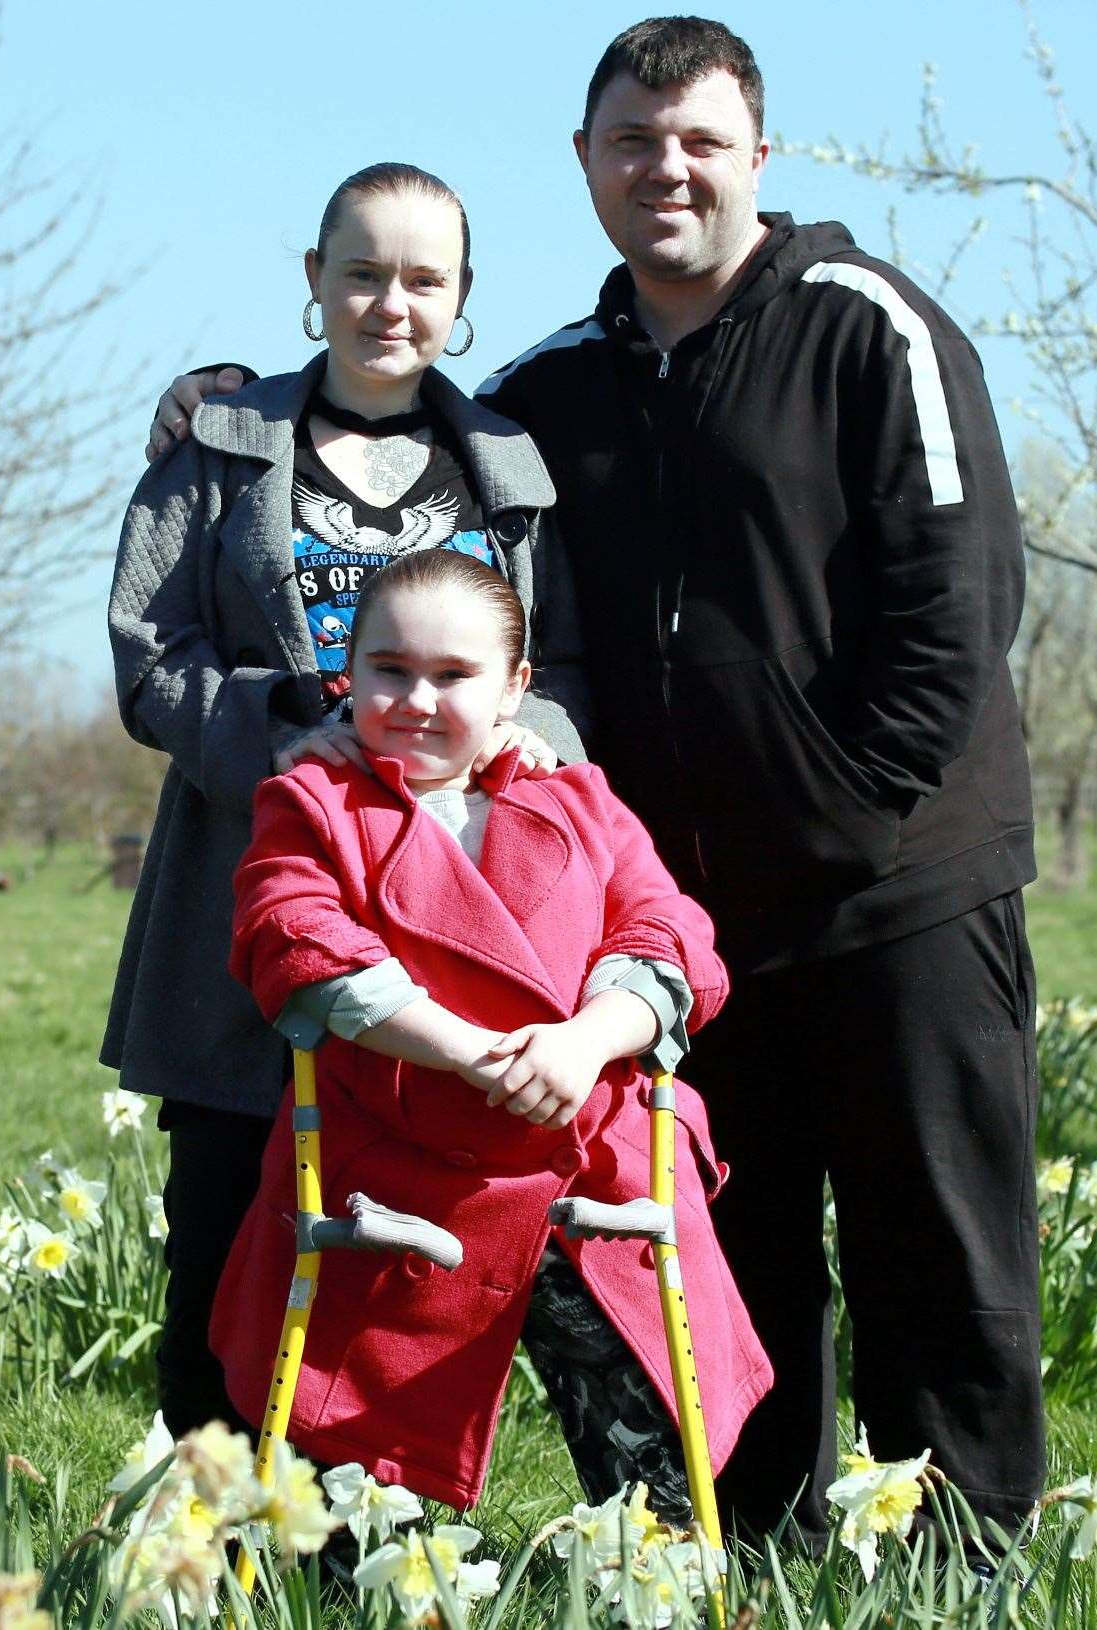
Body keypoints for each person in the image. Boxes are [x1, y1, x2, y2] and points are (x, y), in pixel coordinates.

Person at [144, 17, 1045, 1548]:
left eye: (696, 138)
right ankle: (736, 1549)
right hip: (678, 922)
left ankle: (964, 1558)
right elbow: (408, 460)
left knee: (932, 1243)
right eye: (631, 142)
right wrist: (241, 406)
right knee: (709, 1249)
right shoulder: (549, 388)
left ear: (758, 152)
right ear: (584, 165)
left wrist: (837, 817)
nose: (664, 168)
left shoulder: (863, 324)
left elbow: (953, 605)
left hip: (894, 885)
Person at [103, 162, 589, 1447]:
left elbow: (563, 675)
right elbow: (150, 659)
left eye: (424, 279)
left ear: (463, 297)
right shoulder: (218, 449)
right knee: (221, 1246)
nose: (390, 302)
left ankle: (364, 1532)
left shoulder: (508, 473)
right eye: (362, 271)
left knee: (399, 1252)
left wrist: (519, 741)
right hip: (248, 910)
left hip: (453, 932)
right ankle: (213, 1545)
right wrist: (285, 730)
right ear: (312, 282)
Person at [214, 547, 768, 1518]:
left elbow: (672, 933)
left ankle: (651, 1579)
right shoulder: (309, 803)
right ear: (351, 671)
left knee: (654, 1470)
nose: (417, 699)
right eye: (390, 668)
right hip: (392, 1170)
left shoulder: (579, 798)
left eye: (453, 674)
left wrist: (586, 1040)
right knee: (363, 1512)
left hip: (589, 1158)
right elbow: (293, 939)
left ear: (514, 687)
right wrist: (474, 1053)